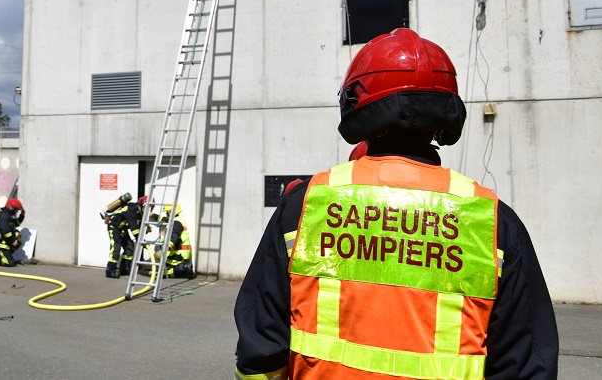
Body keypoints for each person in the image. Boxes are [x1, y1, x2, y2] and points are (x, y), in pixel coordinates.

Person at [234, 28, 558, 379]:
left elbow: (261, 349)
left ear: (356, 102)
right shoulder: (492, 220)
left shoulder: (306, 205)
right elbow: (525, 362)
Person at [104, 195, 142, 278]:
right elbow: (133, 228)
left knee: (130, 246)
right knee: (116, 246)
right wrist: (140, 240)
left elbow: (136, 226)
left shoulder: (138, 212)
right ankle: (110, 270)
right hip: (114, 227)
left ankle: (124, 268)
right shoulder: (133, 209)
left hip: (122, 229)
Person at [0, 198, 27, 267]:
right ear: (12, 207)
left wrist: (22, 215)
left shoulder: (9, 215)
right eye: (16, 210)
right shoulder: (4, 216)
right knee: (10, 263)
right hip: (1, 244)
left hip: (5, 242)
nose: (16, 212)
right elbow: (4, 230)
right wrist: (13, 240)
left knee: (17, 241)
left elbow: (16, 223)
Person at [160, 204, 195, 280]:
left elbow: (174, 237)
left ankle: (185, 268)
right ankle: (179, 269)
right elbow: (163, 219)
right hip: (176, 253)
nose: (166, 214)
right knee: (162, 269)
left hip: (179, 254)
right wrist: (152, 215)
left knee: (163, 274)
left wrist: (166, 248)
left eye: (167, 212)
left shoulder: (176, 223)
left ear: (171, 212)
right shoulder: (175, 220)